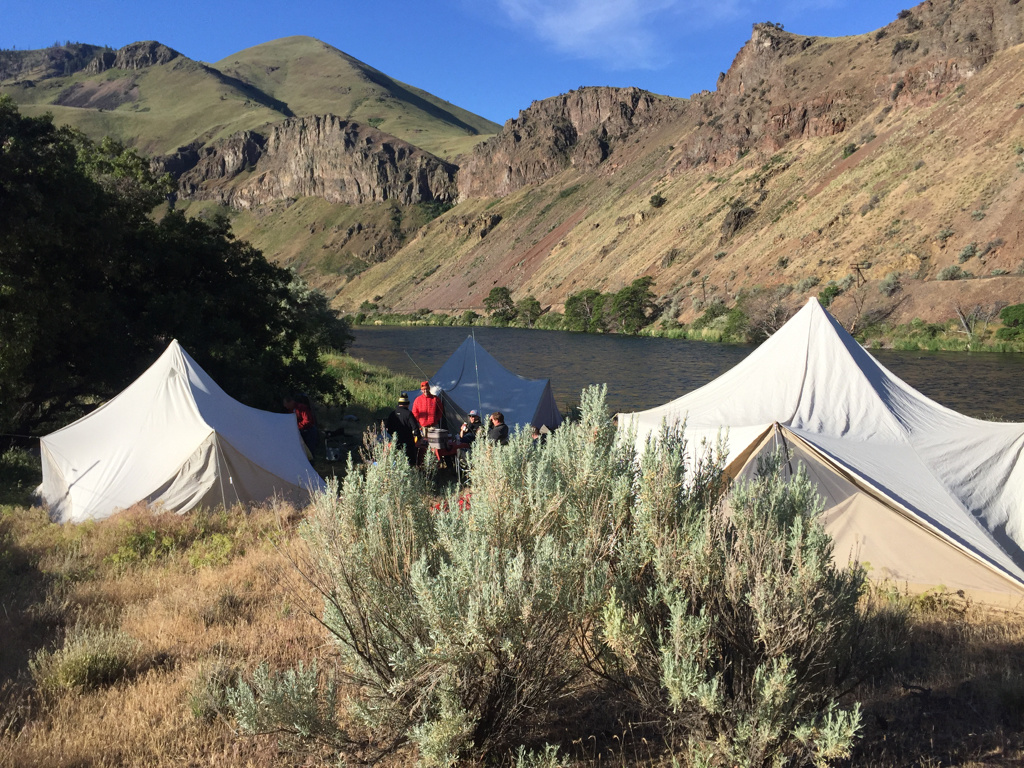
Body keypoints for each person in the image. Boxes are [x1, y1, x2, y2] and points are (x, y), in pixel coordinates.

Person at [385, 393, 420, 466]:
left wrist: (394, 435)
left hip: (396, 441)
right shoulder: (408, 414)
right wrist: (418, 437)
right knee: (410, 460)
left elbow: (387, 428)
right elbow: (415, 428)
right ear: (407, 404)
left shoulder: (392, 414)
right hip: (408, 441)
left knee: (397, 459)